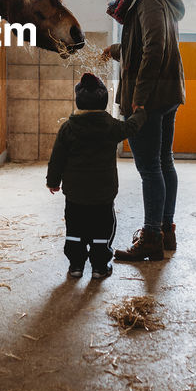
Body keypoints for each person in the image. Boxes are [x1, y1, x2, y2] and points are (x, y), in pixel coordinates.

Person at [104, 0, 185, 262]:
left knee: (150, 167)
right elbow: (150, 43)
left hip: (151, 95)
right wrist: (119, 51)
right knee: (163, 162)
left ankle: (152, 236)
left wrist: (139, 98)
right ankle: (165, 230)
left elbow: (155, 48)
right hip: (167, 92)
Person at [46, 73, 146, 280]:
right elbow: (131, 127)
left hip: (75, 194)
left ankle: (76, 266)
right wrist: (140, 113)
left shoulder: (68, 128)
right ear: (104, 102)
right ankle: (100, 267)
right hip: (103, 193)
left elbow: (57, 158)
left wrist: (53, 181)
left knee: (75, 229)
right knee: (102, 230)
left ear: (78, 102)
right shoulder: (110, 126)